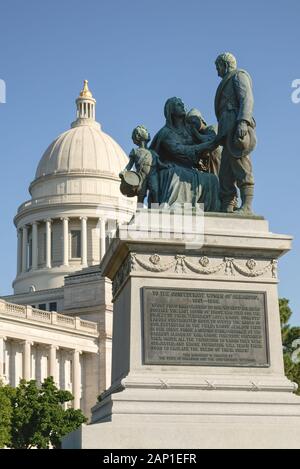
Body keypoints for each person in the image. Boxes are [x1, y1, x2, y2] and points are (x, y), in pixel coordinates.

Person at [150, 97, 220, 211]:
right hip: (170, 168)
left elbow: (205, 139)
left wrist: (216, 136)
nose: (182, 105)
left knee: (212, 179)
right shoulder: (165, 133)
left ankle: (210, 211)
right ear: (171, 111)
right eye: (178, 104)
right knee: (176, 174)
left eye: (182, 103)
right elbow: (179, 150)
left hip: (190, 169)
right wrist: (206, 145)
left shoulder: (189, 129)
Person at [213, 52, 256, 214]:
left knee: (241, 166)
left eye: (218, 67)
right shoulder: (227, 80)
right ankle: (227, 207)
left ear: (225, 64)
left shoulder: (239, 76)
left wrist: (243, 121)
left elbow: (247, 99)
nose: (217, 71)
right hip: (226, 132)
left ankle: (247, 207)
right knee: (225, 173)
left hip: (237, 130)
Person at [120, 125, 169, 206]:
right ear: (138, 136)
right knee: (141, 195)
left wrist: (166, 166)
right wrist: (124, 171)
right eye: (145, 130)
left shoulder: (152, 152)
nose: (148, 132)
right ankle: (139, 210)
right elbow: (130, 164)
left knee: (155, 191)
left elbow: (159, 164)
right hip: (141, 176)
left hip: (153, 175)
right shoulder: (135, 151)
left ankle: (156, 209)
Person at [186, 108, 221, 176]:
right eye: (189, 123)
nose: (192, 125)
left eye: (193, 121)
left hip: (218, 163)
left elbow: (211, 142)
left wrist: (196, 134)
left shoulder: (212, 128)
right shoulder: (195, 139)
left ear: (201, 119)